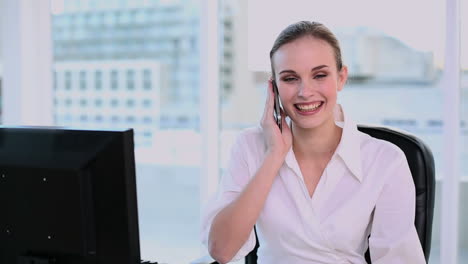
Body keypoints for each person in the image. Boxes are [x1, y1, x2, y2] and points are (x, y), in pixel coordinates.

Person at [201, 21, 426, 264]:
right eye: (290, 78)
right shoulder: (250, 146)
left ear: (341, 78)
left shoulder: (385, 160)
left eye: (319, 75)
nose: (305, 92)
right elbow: (221, 250)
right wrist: (274, 155)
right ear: (273, 88)